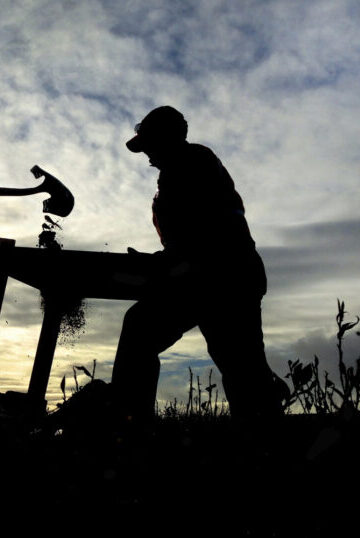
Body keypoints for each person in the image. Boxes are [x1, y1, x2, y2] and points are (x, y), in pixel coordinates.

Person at [111, 105, 285, 421]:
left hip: (225, 278)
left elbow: (206, 232)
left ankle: (129, 425)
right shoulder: (179, 171)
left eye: (149, 145)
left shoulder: (193, 164)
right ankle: (265, 407)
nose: (147, 156)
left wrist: (165, 262)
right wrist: (164, 260)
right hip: (208, 277)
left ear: (168, 138)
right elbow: (188, 238)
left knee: (236, 364)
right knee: (238, 363)